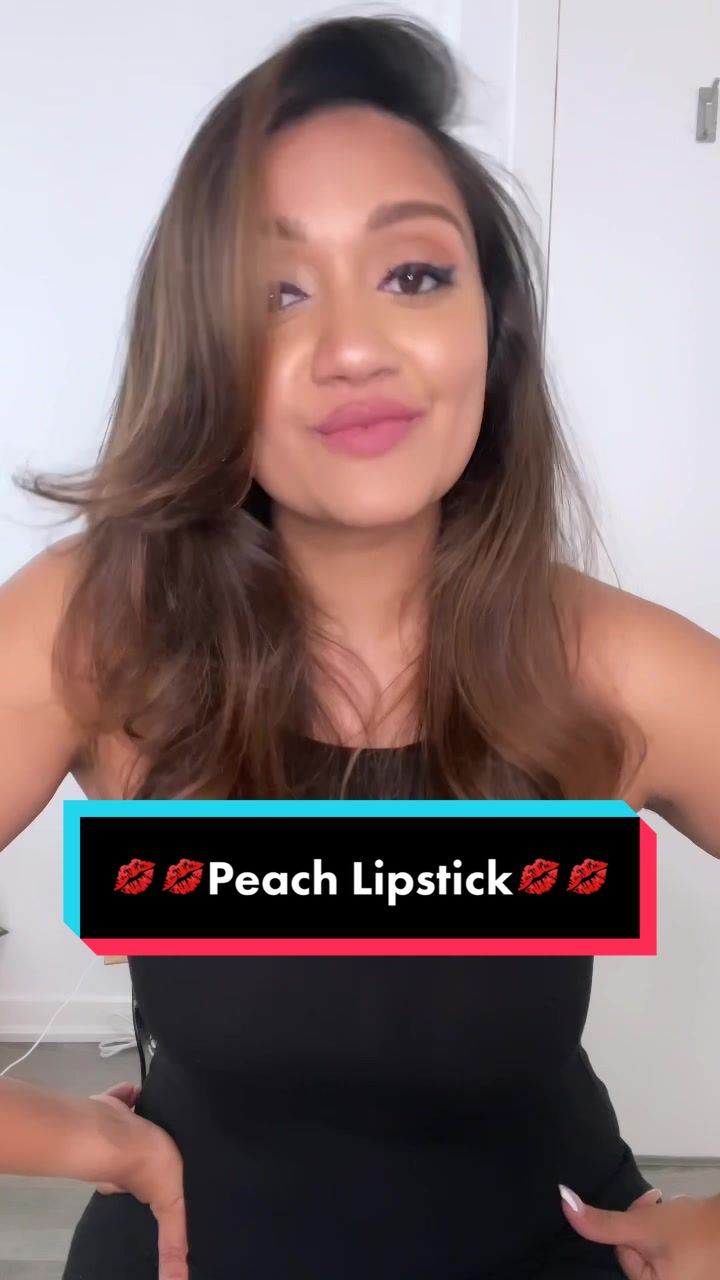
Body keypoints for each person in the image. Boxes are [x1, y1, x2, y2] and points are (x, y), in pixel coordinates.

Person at [0, 13, 718, 1280]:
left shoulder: (618, 666)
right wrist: (82, 1139)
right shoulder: (100, 631)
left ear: (493, 328)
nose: (351, 349)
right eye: (275, 293)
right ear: (205, 355)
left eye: (414, 275)